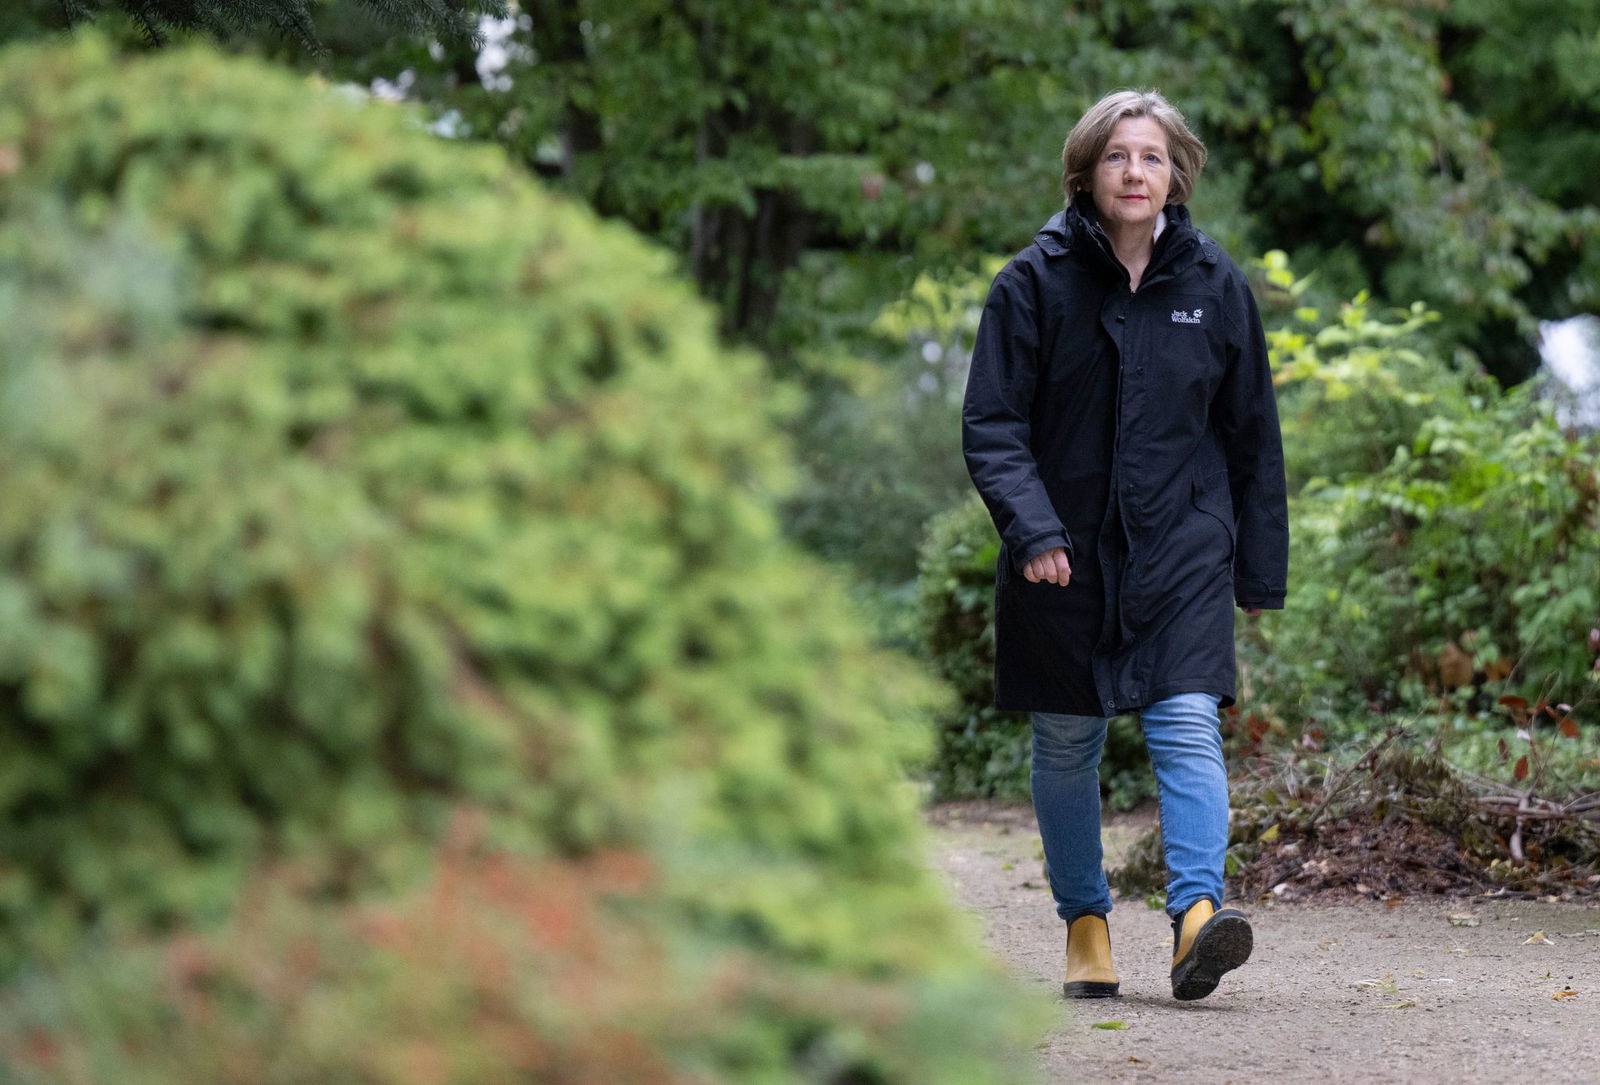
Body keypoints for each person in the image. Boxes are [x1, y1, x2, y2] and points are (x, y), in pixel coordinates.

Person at [961, 89, 1288, 1002]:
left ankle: (1196, 918)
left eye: (1150, 156)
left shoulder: (1216, 286)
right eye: (1116, 156)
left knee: (1186, 723)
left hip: (1182, 548)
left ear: (1175, 172)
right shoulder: (1031, 282)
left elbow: (1253, 436)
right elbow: (992, 423)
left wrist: (1258, 567)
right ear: (1086, 171)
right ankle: (1086, 923)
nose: (1134, 172)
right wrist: (1030, 528)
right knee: (1069, 739)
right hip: (1059, 552)